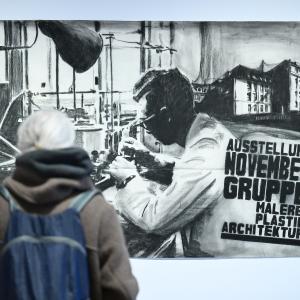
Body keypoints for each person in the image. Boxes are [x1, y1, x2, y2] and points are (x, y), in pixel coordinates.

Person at [106, 68, 300, 257]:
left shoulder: (206, 150)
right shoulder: (208, 129)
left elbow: (156, 220)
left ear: (167, 116)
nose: (145, 129)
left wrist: (128, 178)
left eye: (145, 121)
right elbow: (193, 170)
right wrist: (154, 161)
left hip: (233, 260)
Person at [0, 110, 138, 299]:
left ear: (22, 146)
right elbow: (121, 291)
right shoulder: (96, 210)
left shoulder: (2, 208)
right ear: (68, 145)